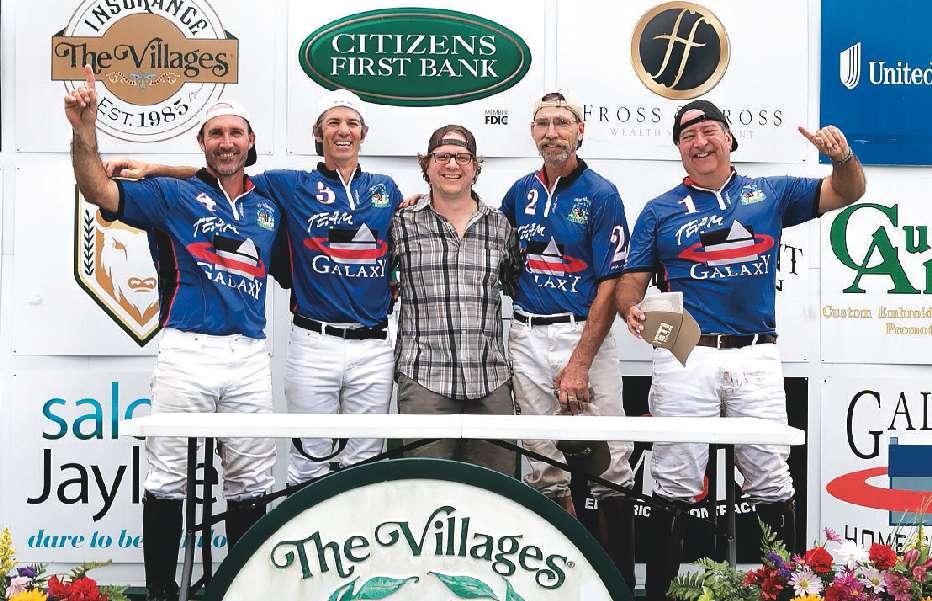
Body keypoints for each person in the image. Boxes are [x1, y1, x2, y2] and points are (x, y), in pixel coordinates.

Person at [614, 99, 865, 601]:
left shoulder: (770, 192)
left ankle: (791, 591)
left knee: (771, 477)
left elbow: (847, 191)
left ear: (729, 138)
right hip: (685, 350)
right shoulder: (659, 209)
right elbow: (631, 283)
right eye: (687, 136)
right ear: (679, 150)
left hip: (755, 352)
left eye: (708, 130)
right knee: (673, 480)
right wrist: (631, 309)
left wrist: (841, 158)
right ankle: (659, 592)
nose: (700, 142)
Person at [109, 89, 402, 485]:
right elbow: (224, 176)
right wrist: (157, 169)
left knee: (366, 462)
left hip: (374, 344)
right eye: (333, 123)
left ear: (363, 133)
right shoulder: (288, 184)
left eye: (351, 123)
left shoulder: (387, 189)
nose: (343, 131)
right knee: (308, 461)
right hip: (314, 341)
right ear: (318, 134)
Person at [64, 66, 280, 601]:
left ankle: (243, 591)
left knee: (252, 479)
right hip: (188, 348)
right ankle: (161, 592)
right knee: (166, 476)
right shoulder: (171, 196)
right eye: (216, 134)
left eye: (235, 134)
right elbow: (96, 188)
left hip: (251, 354)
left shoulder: (271, 201)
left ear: (251, 141)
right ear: (202, 143)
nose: (226, 142)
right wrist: (85, 131)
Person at [500, 90, 636, 591]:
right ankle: (553, 584)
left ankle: (617, 585)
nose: (552, 132)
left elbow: (611, 283)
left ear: (580, 130)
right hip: (526, 332)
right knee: (541, 464)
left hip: (583, 332)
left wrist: (579, 361)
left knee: (611, 461)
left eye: (562, 122)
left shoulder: (601, 193)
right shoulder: (519, 191)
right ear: (532, 132)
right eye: (543, 123)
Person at [390, 124, 521, 475]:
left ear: (476, 167)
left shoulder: (500, 226)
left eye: (462, 157)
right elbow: (377, 283)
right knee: (425, 487)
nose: (452, 165)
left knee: (495, 491)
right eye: (442, 156)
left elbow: (518, 287)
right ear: (427, 164)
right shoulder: (401, 224)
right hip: (424, 377)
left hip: (490, 378)